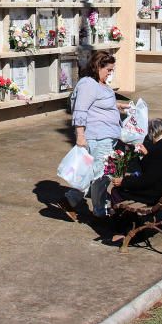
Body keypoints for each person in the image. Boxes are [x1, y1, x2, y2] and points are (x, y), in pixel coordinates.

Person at [63, 50, 128, 218]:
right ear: (98, 67)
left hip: (107, 136)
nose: (110, 73)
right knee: (102, 174)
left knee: (94, 173)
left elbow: (103, 103)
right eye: (108, 70)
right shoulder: (88, 85)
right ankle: (99, 210)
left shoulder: (100, 84)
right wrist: (80, 136)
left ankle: (72, 200)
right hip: (98, 137)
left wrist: (119, 106)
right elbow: (80, 111)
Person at [109, 118, 162, 244]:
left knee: (116, 191)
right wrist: (146, 156)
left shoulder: (158, 151)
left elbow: (146, 180)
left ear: (153, 132)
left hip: (155, 194)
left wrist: (124, 182)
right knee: (125, 186)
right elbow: (157, 169)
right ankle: (134, 226)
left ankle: (125, 230)